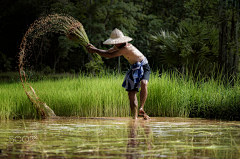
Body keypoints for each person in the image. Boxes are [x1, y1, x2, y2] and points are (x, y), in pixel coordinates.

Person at [86, 28, 151, 120]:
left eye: (117, 42)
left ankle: (141, 107)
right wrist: (94, 49)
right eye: (115, 42)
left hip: (144, 66)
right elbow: (109, 51)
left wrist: (95, 50)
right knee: (131, 94)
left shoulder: (127, 48)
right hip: (134, 68)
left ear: (122, 41)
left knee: (144, 83)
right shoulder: (117, 47)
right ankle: (134, 118)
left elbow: (110, 55)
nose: (116, 44)